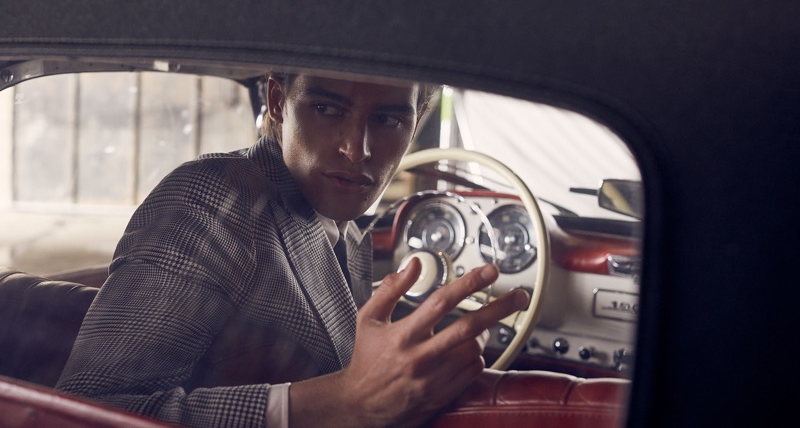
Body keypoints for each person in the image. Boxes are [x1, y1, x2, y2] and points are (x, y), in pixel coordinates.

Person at [56, 72, 529, 427]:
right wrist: (343, 401)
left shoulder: (349, 231)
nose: (357, 149)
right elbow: (88, 412)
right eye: (327, 109)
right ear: (278, 103)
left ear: (415, 123)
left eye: (388, 119)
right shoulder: (214, 199)